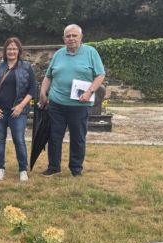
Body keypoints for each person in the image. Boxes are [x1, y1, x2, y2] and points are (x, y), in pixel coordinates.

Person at [38, 24, 106, 177]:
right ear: (64, 39)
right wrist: (43, 92)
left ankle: (76, 169)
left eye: (74, 35)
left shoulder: (91, 52)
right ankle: (53, 167)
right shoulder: (58, 54)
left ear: (81, 38)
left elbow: (100, 75)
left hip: (79, 105)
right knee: (54, 137)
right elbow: (49, 76)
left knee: (78, 138)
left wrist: (89, 92)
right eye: (68, 36)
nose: (71, 39)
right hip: (56, 103)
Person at [0, 37, 36, 182]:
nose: (12, 51)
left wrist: (21, 106)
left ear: (19, 50)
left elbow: (32, 89)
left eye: (14, 49)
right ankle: (0, 169)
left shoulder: (26, 67)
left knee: (19, 140)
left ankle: (23, 170)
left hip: (17, 111)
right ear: (5, 51)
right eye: (9, 49)